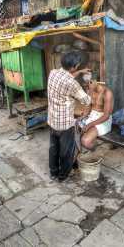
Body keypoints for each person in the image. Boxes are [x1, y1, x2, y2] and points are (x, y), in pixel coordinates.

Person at [48, 51, 91, 181]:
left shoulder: (53, 73)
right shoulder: (72, 84)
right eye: (78, 65)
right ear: (74, 66)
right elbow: (86, 100)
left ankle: (54, 172)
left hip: (52, 119)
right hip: (65, 123)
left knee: (54, 147)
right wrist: (88, 86)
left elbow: (67, 76)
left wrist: (80, 71)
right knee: (66, 151)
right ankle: (63, 175)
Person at [80, 76, 114, 150]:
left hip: (103, 120)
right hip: (92, 116)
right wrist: (82, 117)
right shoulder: (89, 90)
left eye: (88, 83)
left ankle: (97, 147)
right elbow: (88, 108)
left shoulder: (107, 93)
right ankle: (93, 141)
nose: (86, 86)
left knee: (85, 141)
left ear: (94, 81)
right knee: (74, 131)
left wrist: (89, 125)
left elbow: (106, 116)